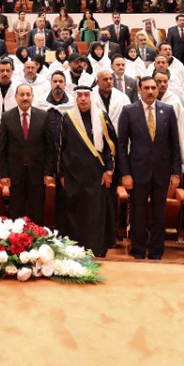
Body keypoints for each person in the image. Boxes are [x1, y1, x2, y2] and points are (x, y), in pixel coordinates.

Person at [117, 76, 182, 260]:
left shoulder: (167, 110)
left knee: (159, 215)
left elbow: (174, 144)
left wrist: (176, 172)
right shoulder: (129, 111)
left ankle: (155, 251)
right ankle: (138, 250)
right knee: (138, 214)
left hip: (161, 172)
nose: (151, 91)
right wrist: (126, 173)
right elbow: (122, 145)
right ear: (139, 90)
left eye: (154, 88)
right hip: (137, 172)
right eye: (147, 88)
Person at [50, 84, 117, 257]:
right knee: (75, 215)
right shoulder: (68, 117)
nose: (83, 99)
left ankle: (95, 250)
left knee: (94, 215)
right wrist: (62, 174)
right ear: (75, 98)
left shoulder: (101, 116)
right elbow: (61, 148)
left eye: (86, 95)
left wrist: (109, 171)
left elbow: (111, 145)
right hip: (74, 177)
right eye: (79, 95)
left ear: (91, 97)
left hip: (96, 177)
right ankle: (75, 251)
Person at [0, 83, 53, 224]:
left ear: (33, 97)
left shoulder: (43, 116)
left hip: (38, 173)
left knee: (37, 211)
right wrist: (4, 174)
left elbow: (50, 147)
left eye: (28, 94)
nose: (25, 98)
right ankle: (18, 243)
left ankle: (37, 242)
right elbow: (2, 148)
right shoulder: (7, 117)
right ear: (16, 97)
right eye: (22, 94)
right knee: (16, 211)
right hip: (15, 174)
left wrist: (48, 172)